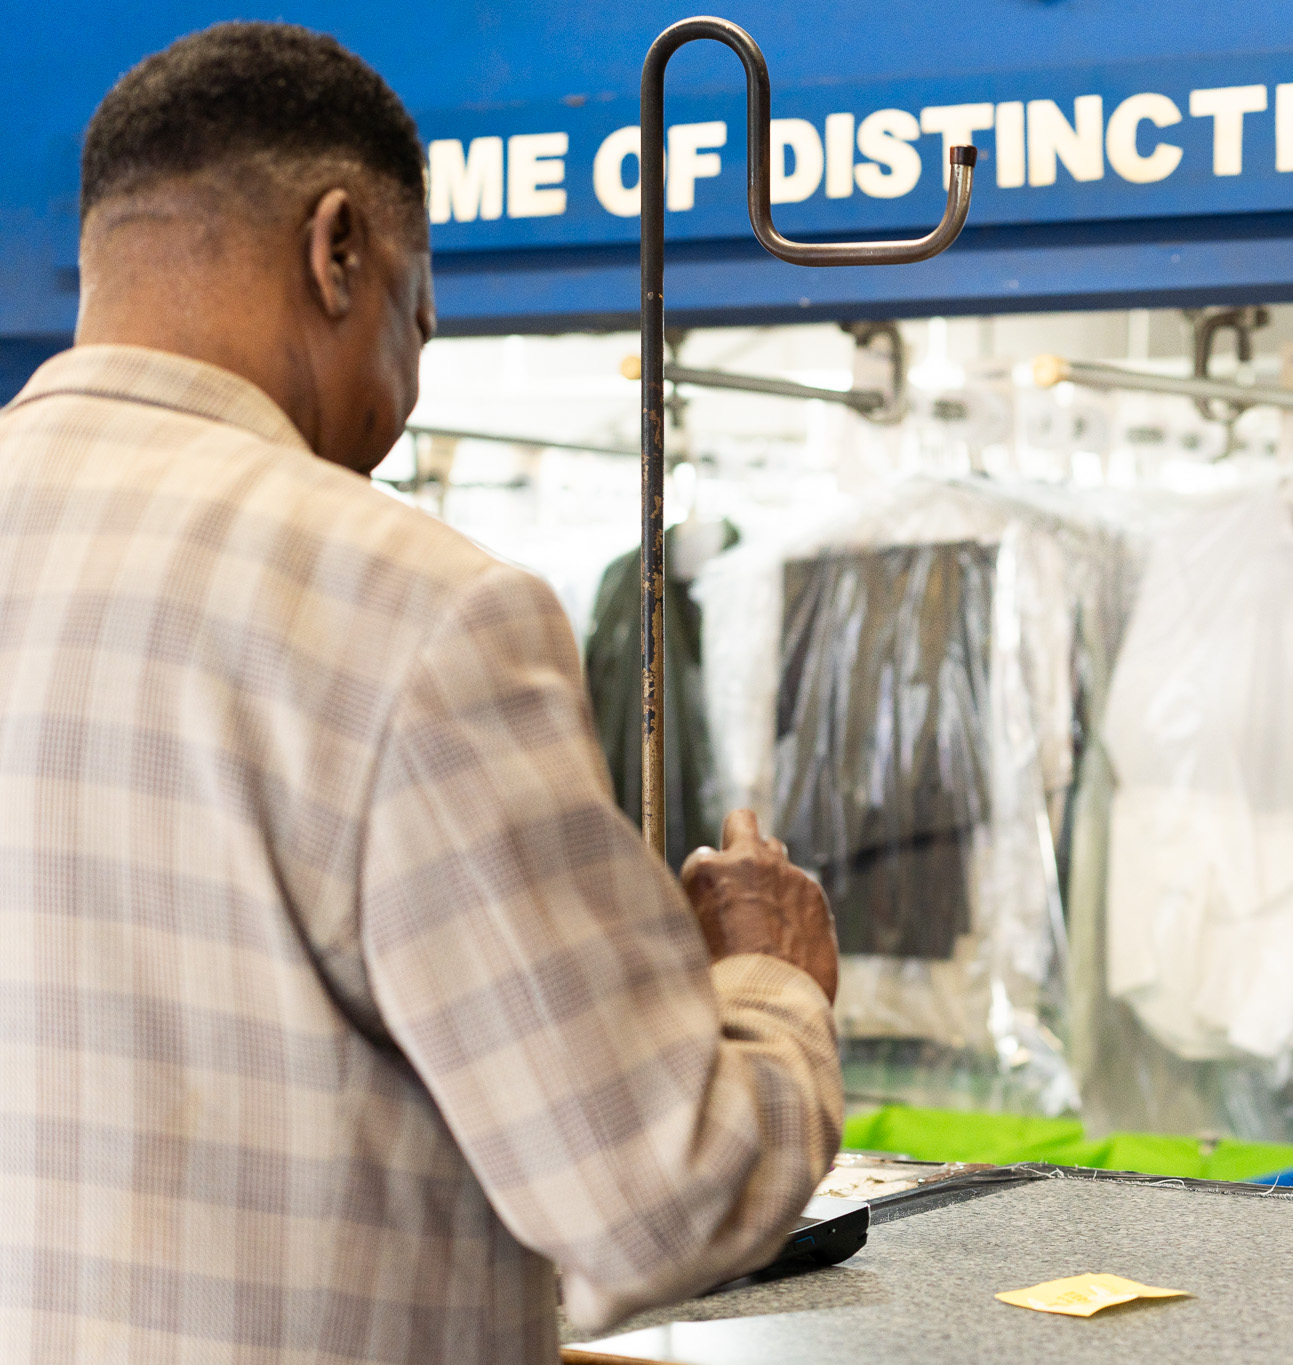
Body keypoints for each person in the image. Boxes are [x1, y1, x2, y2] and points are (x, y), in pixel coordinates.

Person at [0, 23, 842, 1362]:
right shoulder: (418, 607)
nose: (404, 393)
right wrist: (765, 988)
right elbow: (655, 1197)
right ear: (340, 251)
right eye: (419, 323)